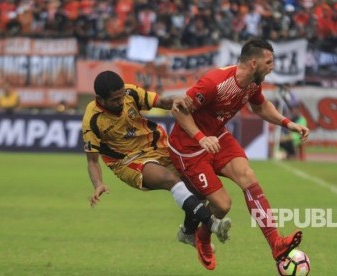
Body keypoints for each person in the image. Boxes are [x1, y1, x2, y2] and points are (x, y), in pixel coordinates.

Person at [168, 39, 310, 270]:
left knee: (248, 176)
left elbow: (260, 106)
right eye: (269, 62)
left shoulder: (253, 83)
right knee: (223, 205)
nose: (272, 66)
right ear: (254, 63)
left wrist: (288, 123)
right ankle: (200, 236)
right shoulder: (215, 83)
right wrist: (200, 138)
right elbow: (179, 110)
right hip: (189, 148)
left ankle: (276, 243)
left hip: (217, 137)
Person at [82, 71, 231, 252]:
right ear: (100, 99)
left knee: (197, 188)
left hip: (159, 146)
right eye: (115, 100)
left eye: (121, 97)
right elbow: (92, 161)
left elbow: (160, 102)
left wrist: (174, 100)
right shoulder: (92, 120)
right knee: (169, 179)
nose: (121, 102)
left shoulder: (130, 93)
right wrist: (98, 184)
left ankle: (188, 232)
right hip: (128, 161)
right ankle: (212, 223)